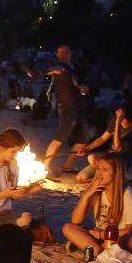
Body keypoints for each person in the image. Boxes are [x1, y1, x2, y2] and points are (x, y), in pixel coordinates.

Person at [62, 153, 132, 256]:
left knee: (131, 240)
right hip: (101, 235)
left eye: (105, 170)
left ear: (116, 174)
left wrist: (102, 235)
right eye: (98, 168)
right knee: (68, 228)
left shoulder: (127, 193)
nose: (99, 173)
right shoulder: (97, 190)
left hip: (122, 237)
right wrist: (86, 195)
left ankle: (91, 249)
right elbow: (75, 221)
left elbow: (130, 229)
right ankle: (98, 251)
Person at [39, 45, 90, 174]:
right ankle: (45, 167)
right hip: (67, 108)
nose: (64, 55)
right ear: (57, 54)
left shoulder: (71, 69)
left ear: (70, 53)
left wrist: (82, 89)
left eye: (66, 52)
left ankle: (67, 165)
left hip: (78, 107)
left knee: (82, 139)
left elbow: (76, 86)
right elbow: (50, 70)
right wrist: (44, 71)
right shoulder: (60, 67)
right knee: (59, 139)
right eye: (61, 52)